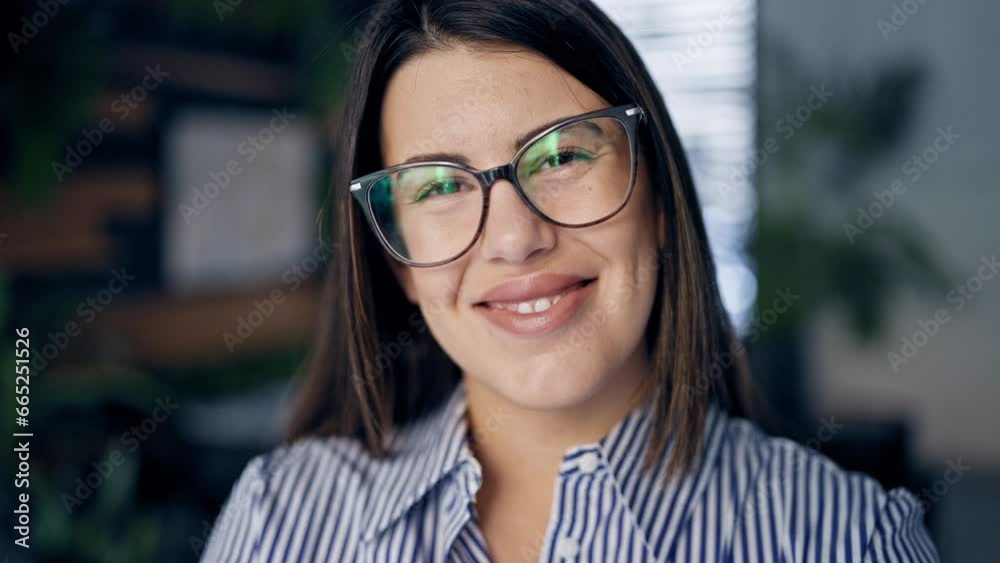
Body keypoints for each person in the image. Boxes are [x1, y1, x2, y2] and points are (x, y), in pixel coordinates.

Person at [202, 1, 939, 561]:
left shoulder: (846, 536)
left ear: (657, 196)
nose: (517, 237)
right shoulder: (281, 520)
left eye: (561, 157)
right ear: (397, 261)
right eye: (438, 187)